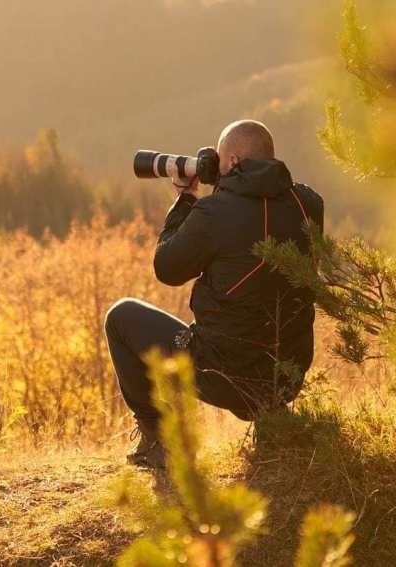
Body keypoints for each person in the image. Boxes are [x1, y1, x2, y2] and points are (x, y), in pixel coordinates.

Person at [104, 119, 324, 468]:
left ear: (233, 162)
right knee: (264, 307)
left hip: (225, 377)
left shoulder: (214, 213)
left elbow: (167, 268)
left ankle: (159, 442)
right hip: (286, 374)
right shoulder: (309, 203)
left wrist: (185, 200)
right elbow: (260, 216)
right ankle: (273, 424)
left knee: (120, 316)